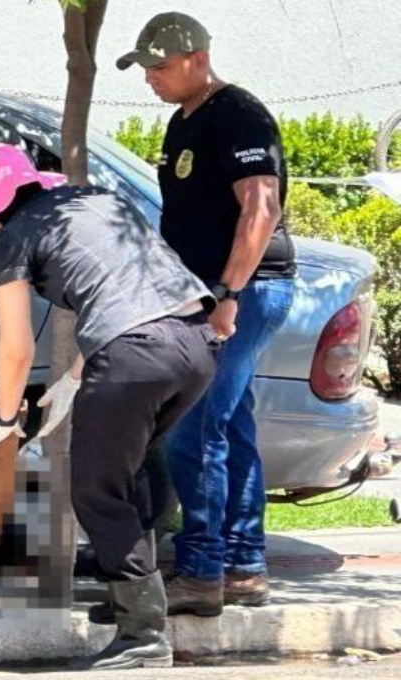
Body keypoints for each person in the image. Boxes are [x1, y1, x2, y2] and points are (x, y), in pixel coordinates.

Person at [0, 144, 218, 670]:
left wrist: (6, 420)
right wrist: (75, 377)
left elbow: (16, 347)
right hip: (198, 341)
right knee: (137, 465)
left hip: (134, 354)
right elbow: (132, 287)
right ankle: (123, 594)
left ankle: (143, 634)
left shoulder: (14, 236)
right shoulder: (100, 201)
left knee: (96, 489)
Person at [118, 12, 296, 615]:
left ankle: (201, 573)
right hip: (205, 292)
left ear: (198, 57)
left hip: (242, 292)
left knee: (193, 428)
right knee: (229, 423)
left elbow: (261, 208)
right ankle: (243, 565)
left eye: (160, 67)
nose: (151, 79)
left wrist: (226, 294)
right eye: (145, 68)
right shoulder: (182, 122)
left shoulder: (238, 114)